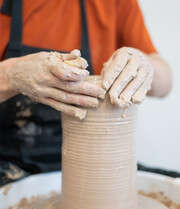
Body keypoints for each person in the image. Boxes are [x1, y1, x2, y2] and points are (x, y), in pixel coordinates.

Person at [0, 0, 172, 185]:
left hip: (98, 164)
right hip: (10, 161)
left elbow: (165, 82)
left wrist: (147, 66)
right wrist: (10, 75)